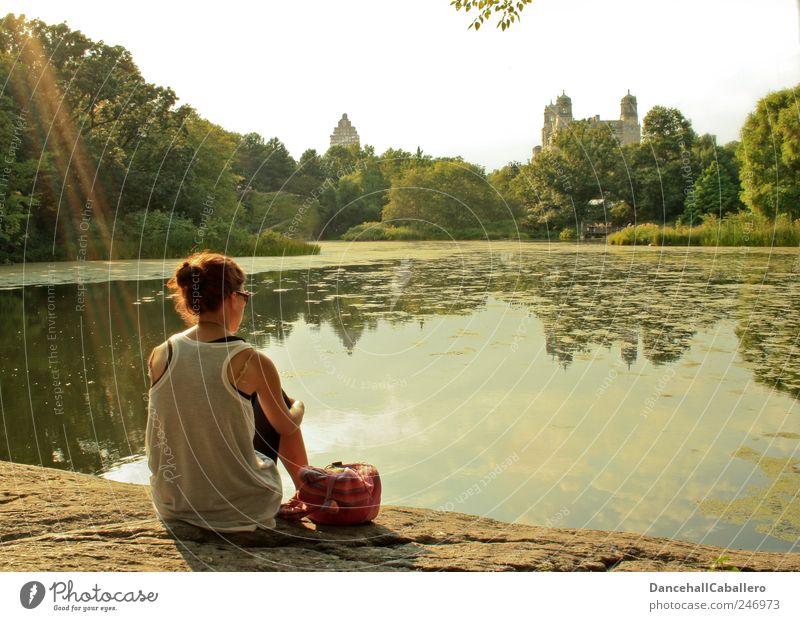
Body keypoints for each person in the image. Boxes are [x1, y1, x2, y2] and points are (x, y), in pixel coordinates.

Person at [145, 251, 309, 532]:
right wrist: (299, 405)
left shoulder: (162, 353)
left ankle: (307, 492)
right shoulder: (250, 359)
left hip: (173, 505)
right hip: (242, 509)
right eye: (245, 296)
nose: (244, 303)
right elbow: (285, 424)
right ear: (233, 297)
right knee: (279, 401)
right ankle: (309, 494)